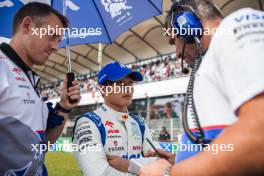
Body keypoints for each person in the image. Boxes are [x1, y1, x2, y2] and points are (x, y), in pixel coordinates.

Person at [139, 0, 264, 175]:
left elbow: (259, 134)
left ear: (188, 26)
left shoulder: (235, 26)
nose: (176, 54)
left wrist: (169, 174)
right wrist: (181, 159)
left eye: (174, 40)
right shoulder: (214, 56)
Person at [0, 2, 81, 175]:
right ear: (28, 26)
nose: (56, 47)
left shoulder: (30, 78)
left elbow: (42, 147)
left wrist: (64, 107)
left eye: (59, 41)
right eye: (51, 36)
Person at [73, 61, 174, 176]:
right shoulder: (88, 122)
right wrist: (145, 168)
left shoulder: (139, 123)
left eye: (130, 83)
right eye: (119, 83)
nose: (127, 88)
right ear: (102, 90)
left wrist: (127, 165)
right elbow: (98, 173)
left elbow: (161, 163)